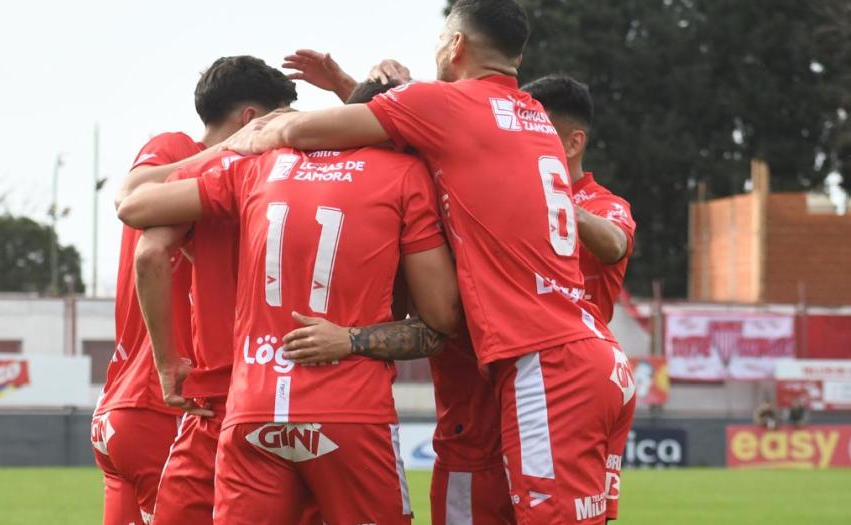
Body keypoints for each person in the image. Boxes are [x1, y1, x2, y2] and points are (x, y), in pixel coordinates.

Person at [221, 1, 637, 522]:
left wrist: (262, 132)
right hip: (590, 354)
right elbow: (428, 133)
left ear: (455, 45)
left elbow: (314, 134)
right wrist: (352, 85)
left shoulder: (445, 105)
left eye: (441, 39)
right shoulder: (531, 118)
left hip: (543, 360)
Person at [117, 94, 461, 522]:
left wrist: (232, 146)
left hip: (251, 408)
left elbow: (133, 208)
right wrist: (352, 339)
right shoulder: (405, 173)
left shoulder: (260, 165)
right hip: (349, 412)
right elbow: (442, 320)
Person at [283, 52, 513, 525]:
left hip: (260, 402)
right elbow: (389, 143)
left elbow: (139, 207)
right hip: (478, 413)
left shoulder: (279, 173)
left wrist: (265, 131)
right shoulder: (421, 180)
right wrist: (352, 89)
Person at [91, 55, 297, 525]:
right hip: (168, 399)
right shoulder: (178, 152)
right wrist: (232, 150)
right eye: (279, 122)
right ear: (250, 120)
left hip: (123, 406)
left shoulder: (196, 175)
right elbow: (130, 200)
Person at [523, 75, 636, 322]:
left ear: (573, 143)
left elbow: (616, 245)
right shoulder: (507, 197)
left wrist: (557, 204)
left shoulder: (602, 204)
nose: (521, 143)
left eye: (537, 132)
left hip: (577, 355)